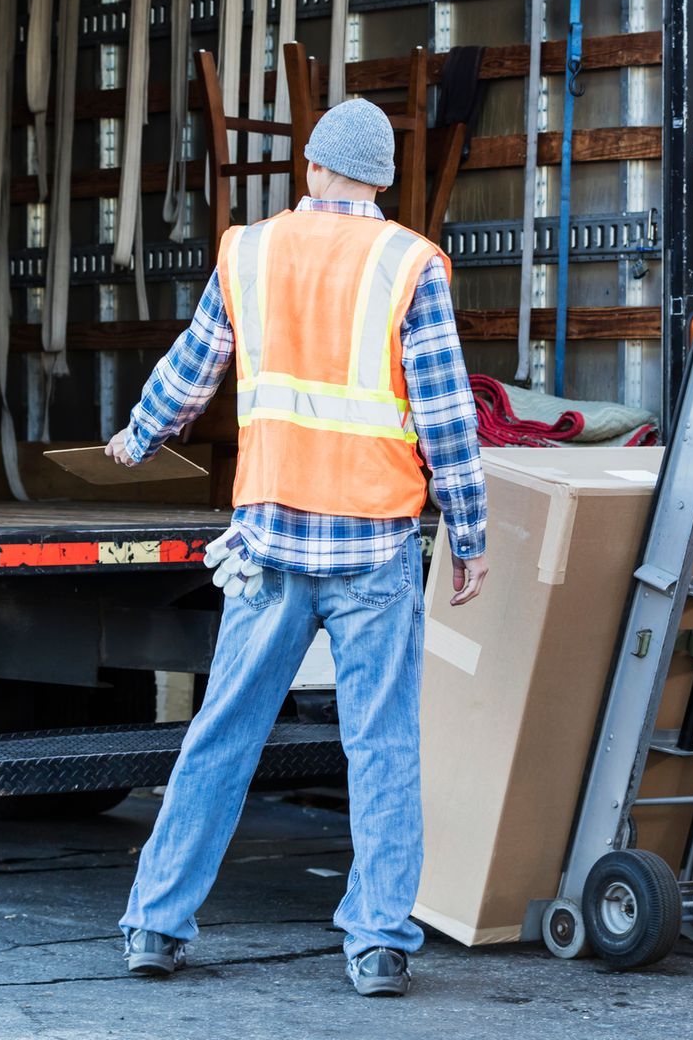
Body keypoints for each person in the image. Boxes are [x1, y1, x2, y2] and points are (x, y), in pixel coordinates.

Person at [107, 98, 489, 998]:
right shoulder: (409, 263)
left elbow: (195, 366)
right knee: (383, 745)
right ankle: (378, 943)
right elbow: (445, 415)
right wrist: (469, 533)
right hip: (374, 550)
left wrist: (136, 435)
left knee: (222, 736)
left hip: (270, 544)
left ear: (312, 167)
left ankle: (157, 925)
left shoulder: (251, 250)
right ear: (384, 181)